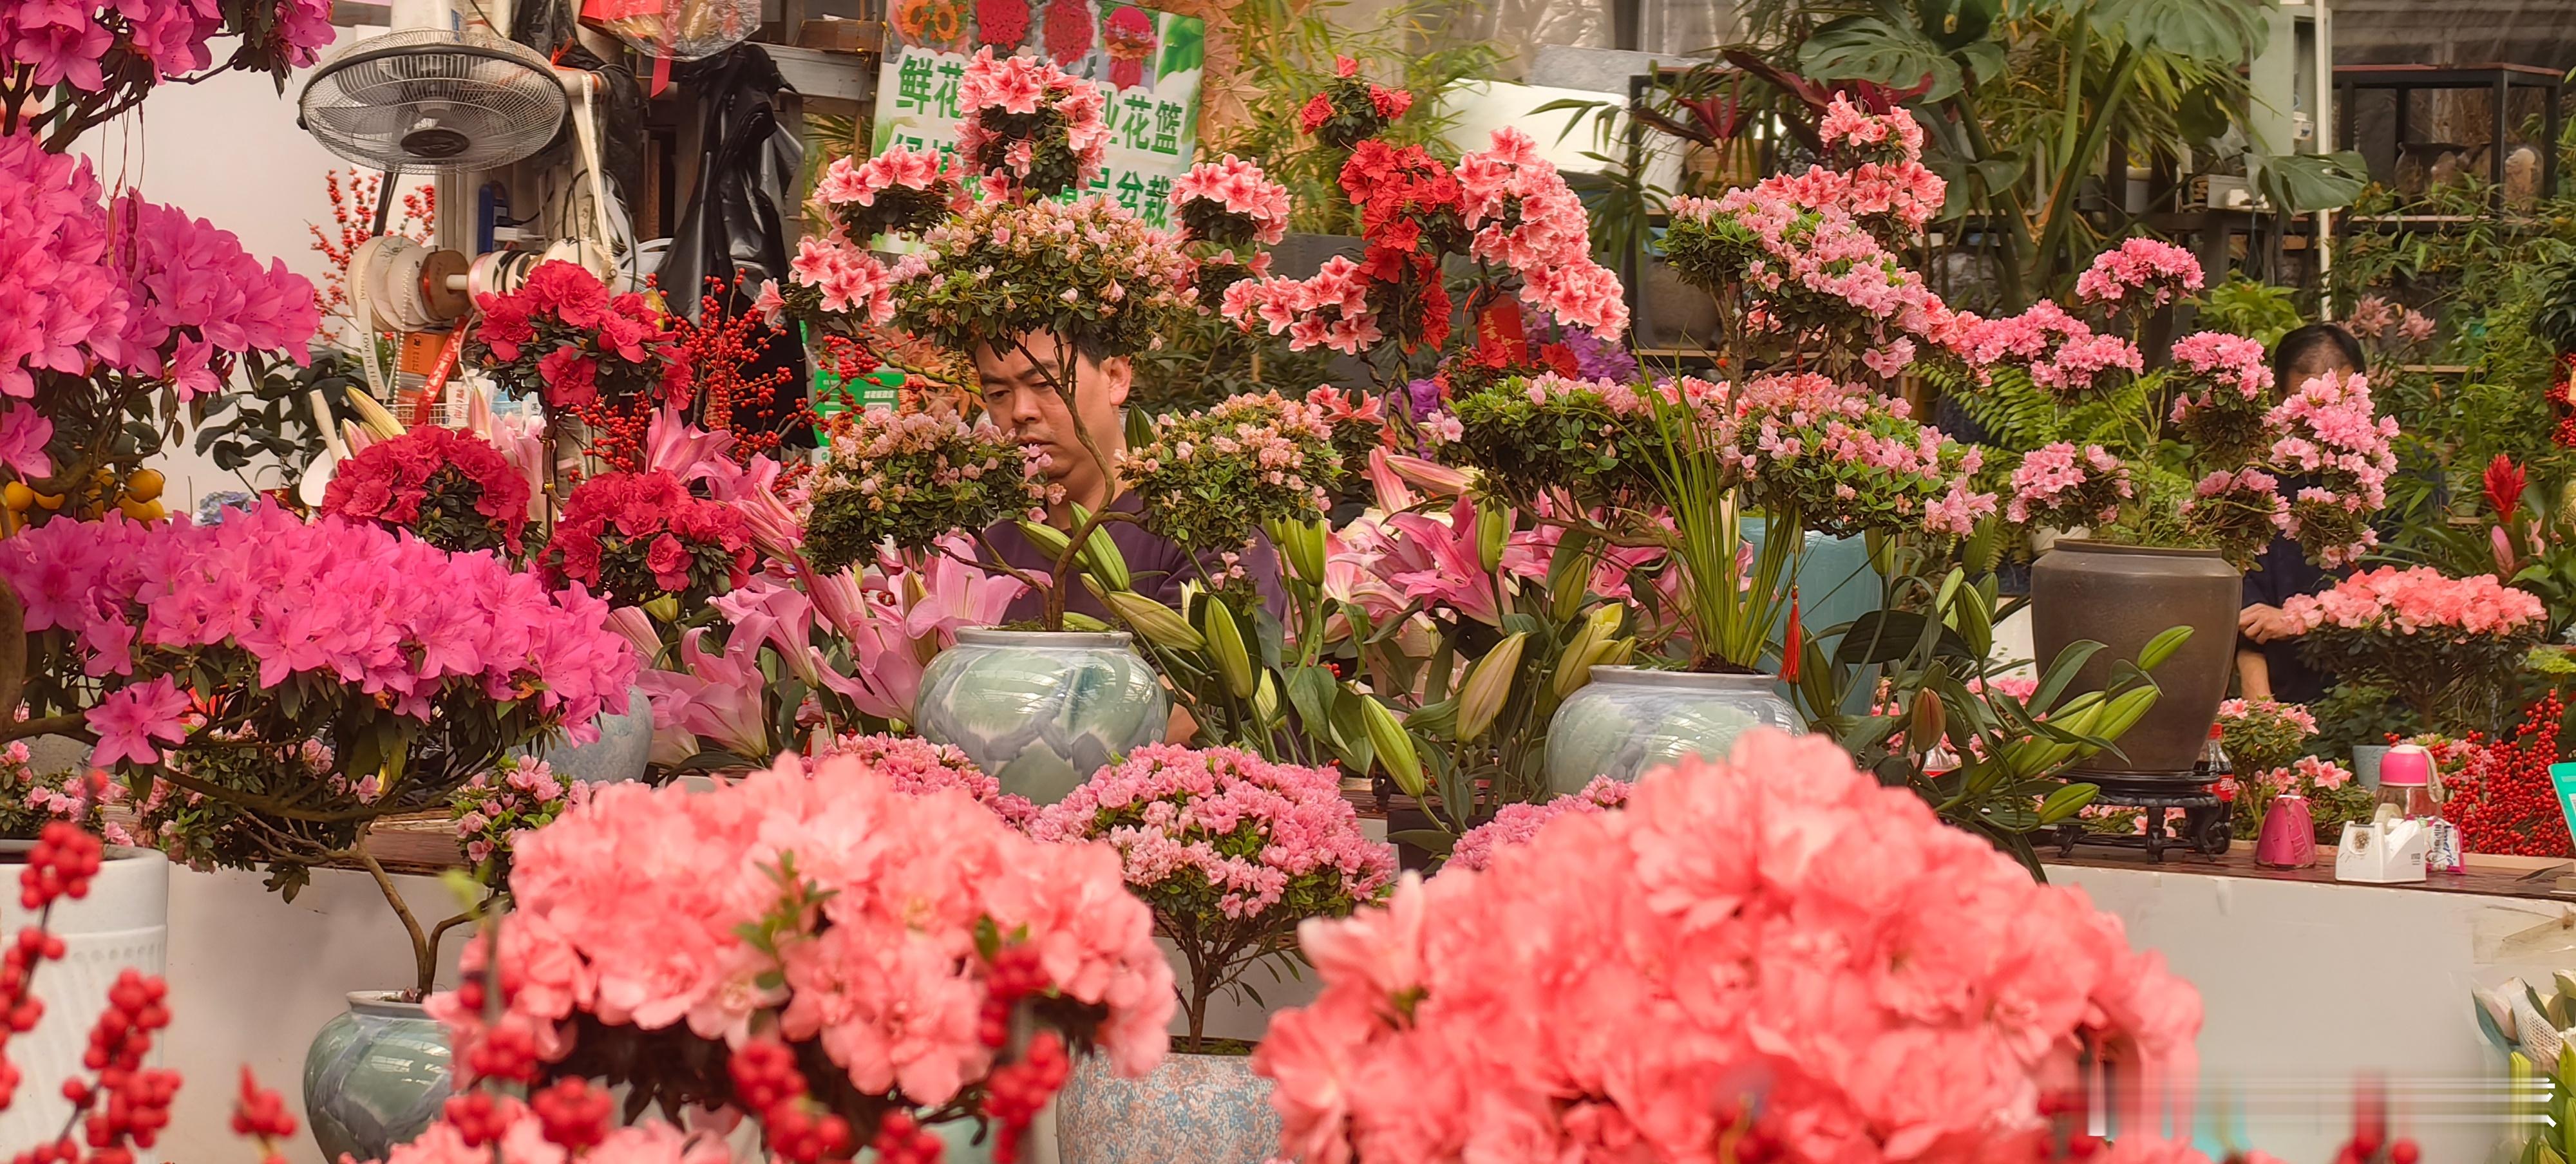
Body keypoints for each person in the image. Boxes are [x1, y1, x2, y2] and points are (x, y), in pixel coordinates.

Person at [974, 330, 1284, 626]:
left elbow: (1211, 678)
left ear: (1115, 377)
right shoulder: (989, 551)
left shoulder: (1204, 533)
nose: (1021, 412)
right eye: (998, 394)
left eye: (1044, 383)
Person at [2236, 323, 2367, 703]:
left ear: (2360, 391)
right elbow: (2248, 607)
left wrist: (2300, 618)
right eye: (2302, 404)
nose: (2318, 421)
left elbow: (2405, 593)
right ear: (2279, 398)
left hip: (2379, 691)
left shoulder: (2401, 477)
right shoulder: (2257, 484)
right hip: (2282, 689)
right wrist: (2260, 703)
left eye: (2336, 403)